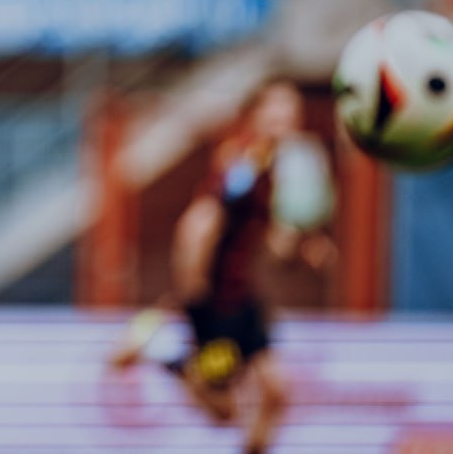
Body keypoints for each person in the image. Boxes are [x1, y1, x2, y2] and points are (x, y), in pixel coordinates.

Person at [108, 78, 336, 454]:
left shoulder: (272, 168)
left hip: (243, 296)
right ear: (255, 114)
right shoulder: (243, 161)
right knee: (223, 411)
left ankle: (169, 348)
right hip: (216, 301)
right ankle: (165, 356)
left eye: (292, 108)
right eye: (277, 106)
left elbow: (272, 241)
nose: (287, 115)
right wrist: (193, 289)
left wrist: (305, 247)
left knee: (275, 394)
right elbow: (201, 220)